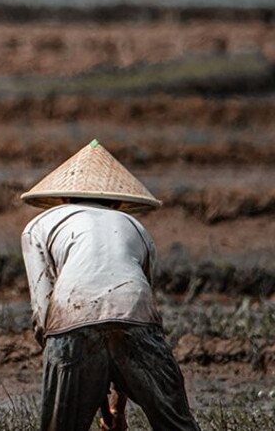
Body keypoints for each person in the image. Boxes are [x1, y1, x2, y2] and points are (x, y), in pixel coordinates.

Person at [20, 140, 200, 431]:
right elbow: (129, 319)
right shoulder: (137, 228)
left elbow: (43, 311)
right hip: (137, 317)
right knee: (177, 424)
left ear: (63, 199)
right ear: (117, 202)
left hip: (70, 318)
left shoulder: (39, 225)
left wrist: (57, 354)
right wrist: (115, 409)